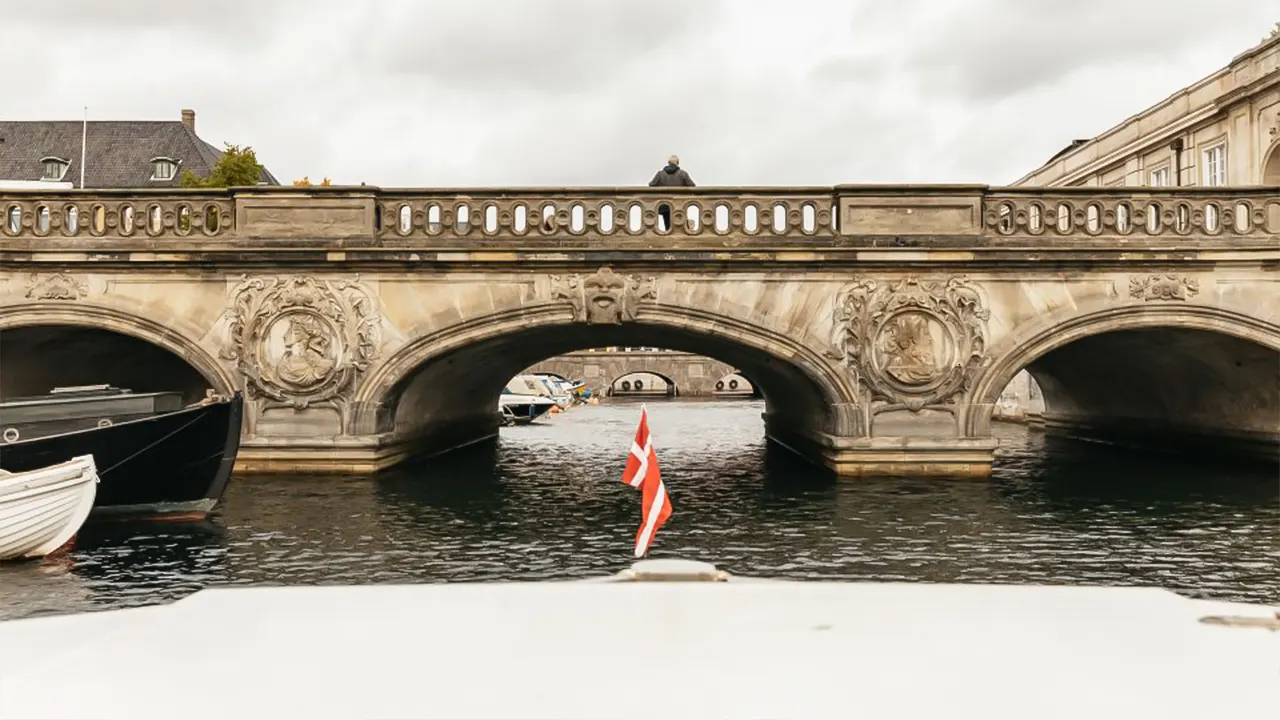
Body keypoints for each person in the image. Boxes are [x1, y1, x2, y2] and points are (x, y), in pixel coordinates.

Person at [649, 155, 695, 231]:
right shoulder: (683, 174)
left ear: (668, 163)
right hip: (680, 205)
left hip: (665, 205)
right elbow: (692, 186)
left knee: (668, 228)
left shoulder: (660, 174)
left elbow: (651, 185)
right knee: (680, 229)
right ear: (677, 163)